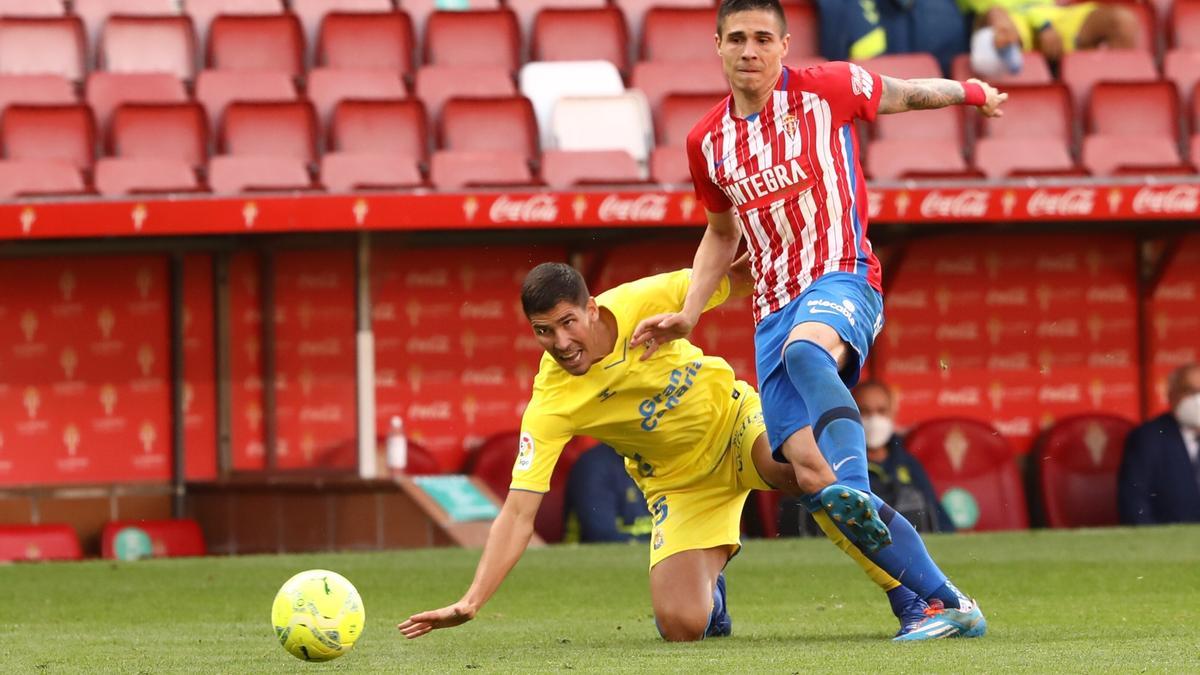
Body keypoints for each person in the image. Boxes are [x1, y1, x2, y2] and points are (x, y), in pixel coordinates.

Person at [631, 0, 1004, 641]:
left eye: (763, 39)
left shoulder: (826, 89)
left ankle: (857, 485)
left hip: (842, 274)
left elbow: (907, 92)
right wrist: (690, 312)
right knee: (807, 471)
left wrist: (971, 91)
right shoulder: (707, 142)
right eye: (738, 38)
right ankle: (942, 604)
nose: (751, 50)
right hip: (771, 308)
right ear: (718, 46)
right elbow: (720, 236)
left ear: (784, 45)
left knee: (813, 365)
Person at [399, 261, 931, 643]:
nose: (560, 343)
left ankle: (910, 594)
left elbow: (734, 275)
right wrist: (471, 602)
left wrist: (790, 253)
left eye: (567, 323)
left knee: (808, 472)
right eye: (543, 332)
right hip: (679, 486)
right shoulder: (552, 403)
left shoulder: (643, 300)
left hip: (738, 423)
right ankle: (710, 594)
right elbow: (518, 513)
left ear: (591, 308)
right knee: (681, 627)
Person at [855, 380, 955, 533]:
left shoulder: (908, 463)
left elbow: (939, 520)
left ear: (892, 413)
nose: (874, 419)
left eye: (881, 411)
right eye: (864, 411)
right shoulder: (838, 464)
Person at [958, 0, 1139, 76]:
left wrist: (1045, 22)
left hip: (1054, 15)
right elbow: (987, 7)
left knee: (1123, 22)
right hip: (1009, 18)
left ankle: (1113, 108)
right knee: (998, 21)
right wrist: (1042, 24)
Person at [1118, 363, 1200, 525]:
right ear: (1171, 395)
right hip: (1170, 543)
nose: (1198, 399)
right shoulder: (1147, 438)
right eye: (1190, 391)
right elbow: (1134, 506)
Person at [563, 443, 653, 544]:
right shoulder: (594, 464)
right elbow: (602, 535)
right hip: (592, 555)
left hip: (648, 549)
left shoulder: (661, 460)